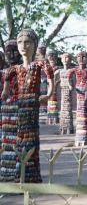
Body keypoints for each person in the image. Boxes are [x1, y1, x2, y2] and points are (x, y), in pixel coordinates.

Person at [1, 29, 54, 183]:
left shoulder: (39, 64)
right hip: (21, 105)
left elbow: (50, 77)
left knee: (31, 139)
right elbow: (7, 79)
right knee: (21, 138)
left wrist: (49, 94)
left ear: (35, 45)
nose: (23, 46)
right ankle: (21, 173)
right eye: (20, 42)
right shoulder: (16, 69)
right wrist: (5, 92)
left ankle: (32, 174)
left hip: (32, 104)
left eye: (28, 42)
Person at [1, 40, 21, 181]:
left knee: (17, 145)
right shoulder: (3, 73)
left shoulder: (24, 70)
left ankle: (17, 174)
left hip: (19, 112)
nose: (12, 55)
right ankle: (5, 174)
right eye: (8, 52)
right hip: (4, 113)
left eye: (15, 51)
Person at [69, 51, 87, 146]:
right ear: (76, 59)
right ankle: (79, 135)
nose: (81, 59)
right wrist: (70, 84)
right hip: (78, 90)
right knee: (79, 111)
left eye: (84, 57)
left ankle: (84, 136)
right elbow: (69, 74)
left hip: (86, 91)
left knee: (84, 112)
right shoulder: (75, 70)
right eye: (79, 57)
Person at [59, 53, 74, 135]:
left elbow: (70, 81)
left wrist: (69, 85)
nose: (65, 60)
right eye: (64, 58)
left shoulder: (71, 71)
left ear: (70, 60)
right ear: (61, 60)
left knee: (68, 109)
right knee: (63, 109)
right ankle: (62, 127)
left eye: (67, 58)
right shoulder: (60, 71)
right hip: (62, 90)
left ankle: (68, 127)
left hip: (68, 91)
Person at [46, 49, 60, 124]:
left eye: (53, 55)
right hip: (49, 87)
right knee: (50, 102)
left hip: (54, 87)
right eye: (49, 55)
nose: (51, 57)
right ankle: (50, 119)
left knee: (53, 102)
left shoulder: (58, 68)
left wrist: (57, 82)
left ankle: (54, 119)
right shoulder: (46, 67)